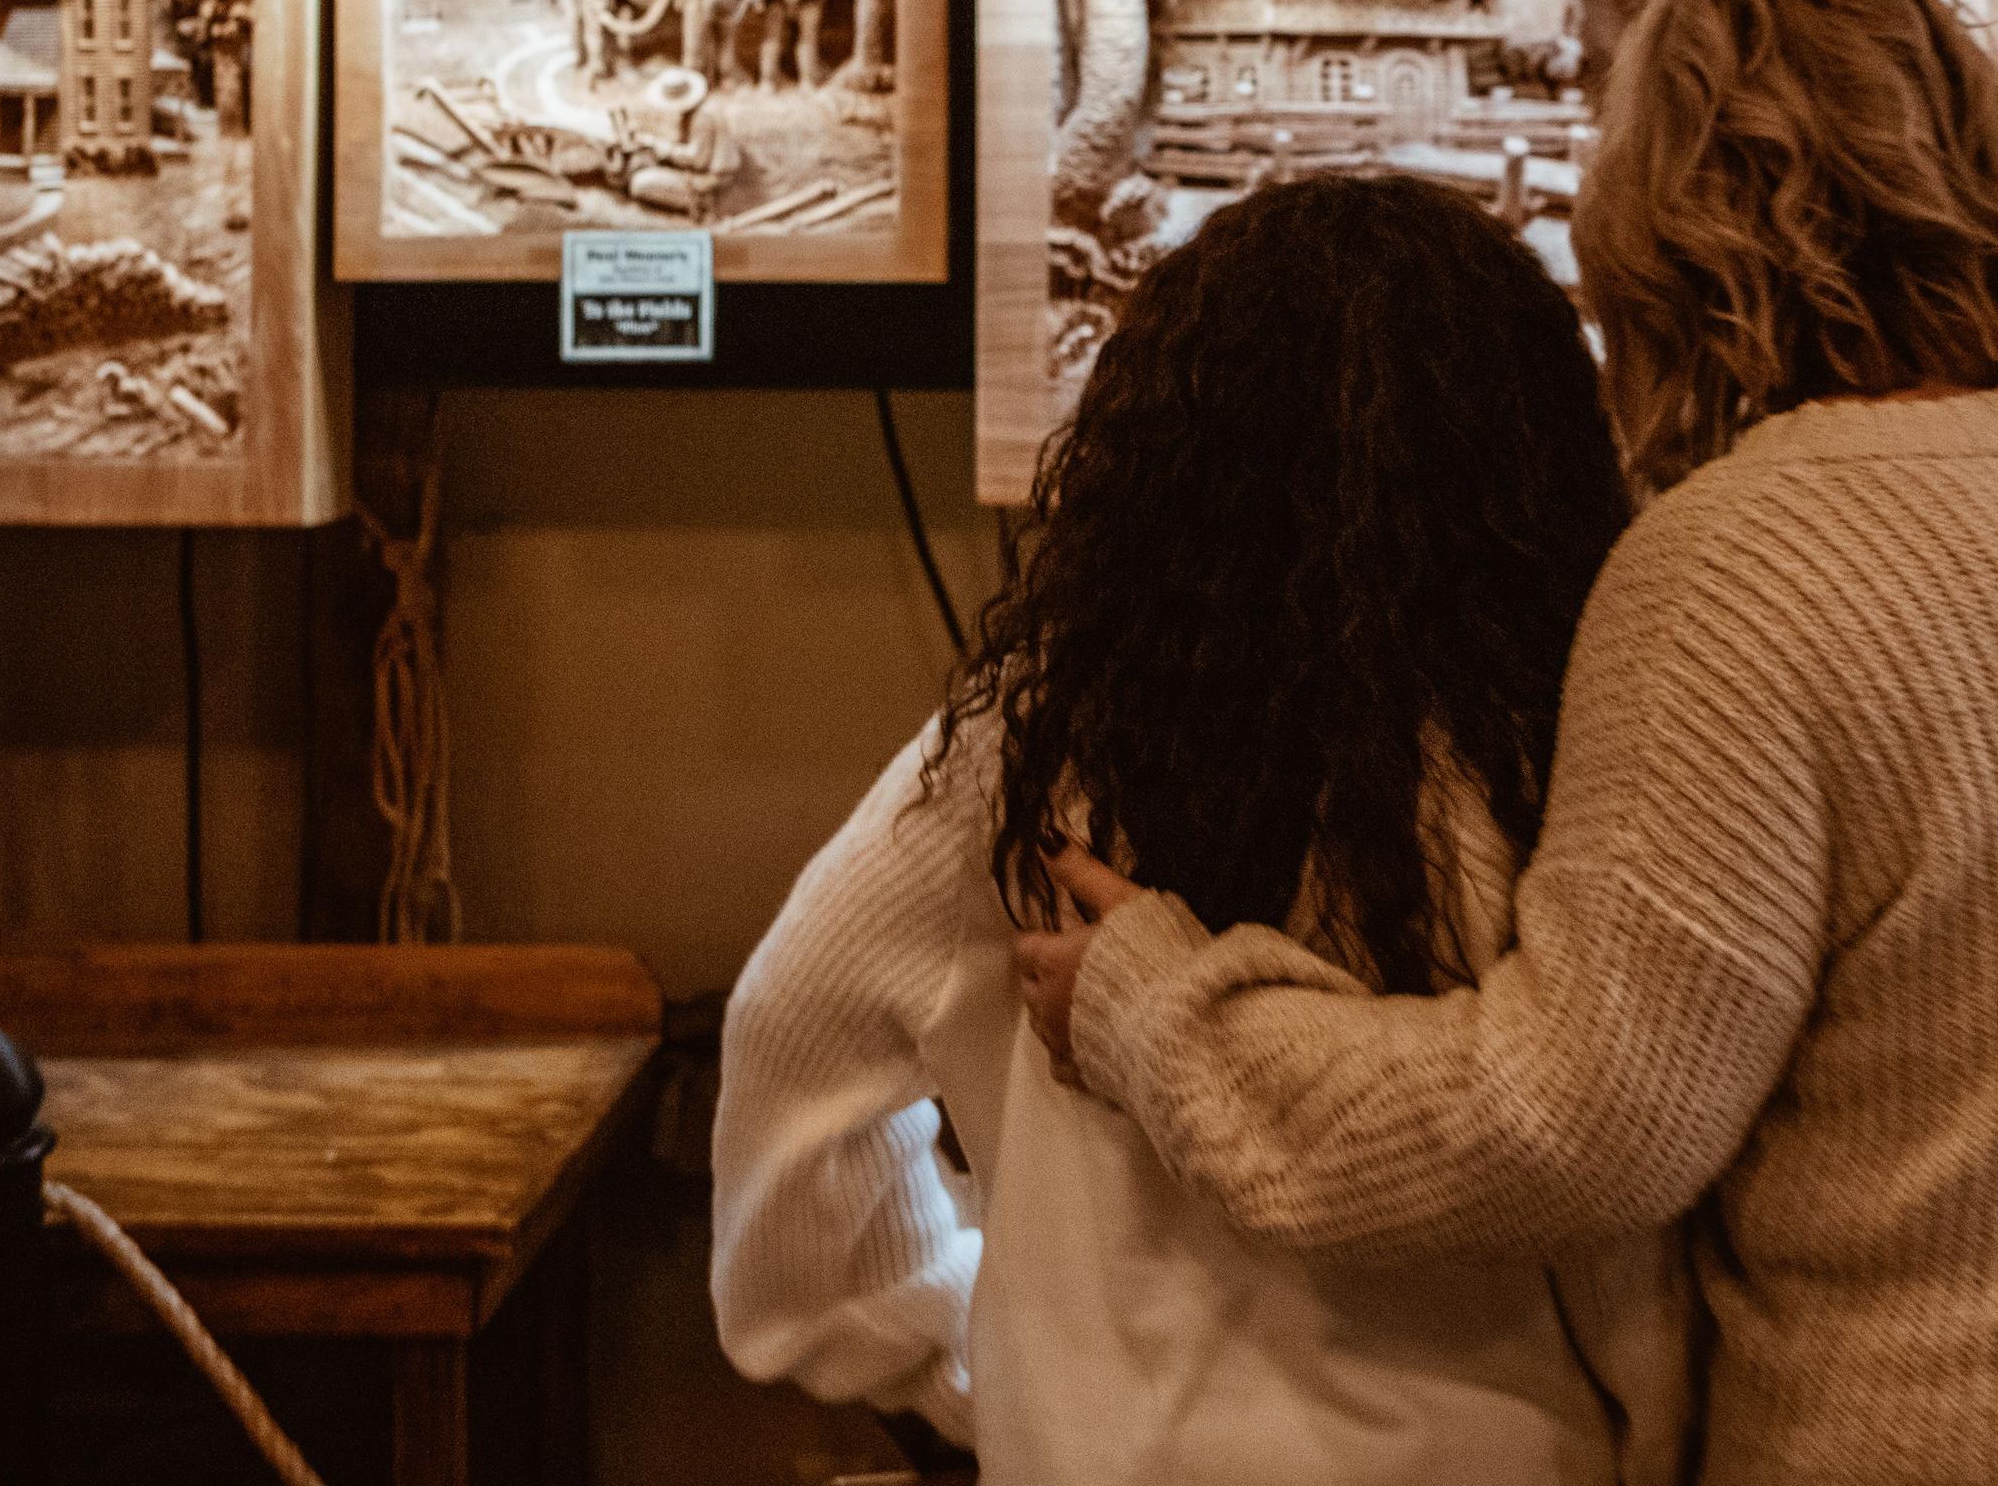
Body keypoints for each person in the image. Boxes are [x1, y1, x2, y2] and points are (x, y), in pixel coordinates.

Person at [1019, 0, 1998, 1486]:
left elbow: (1578, 1126)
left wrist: (1155, 1012)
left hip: (1996, 1439)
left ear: (1653, 232)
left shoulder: (1744, 561)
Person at [711, 176, 1693, 1486]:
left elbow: (790, 1026)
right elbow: (1623, 1202)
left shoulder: (1037, 755)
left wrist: (949, 1347)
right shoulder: (1563, 759)